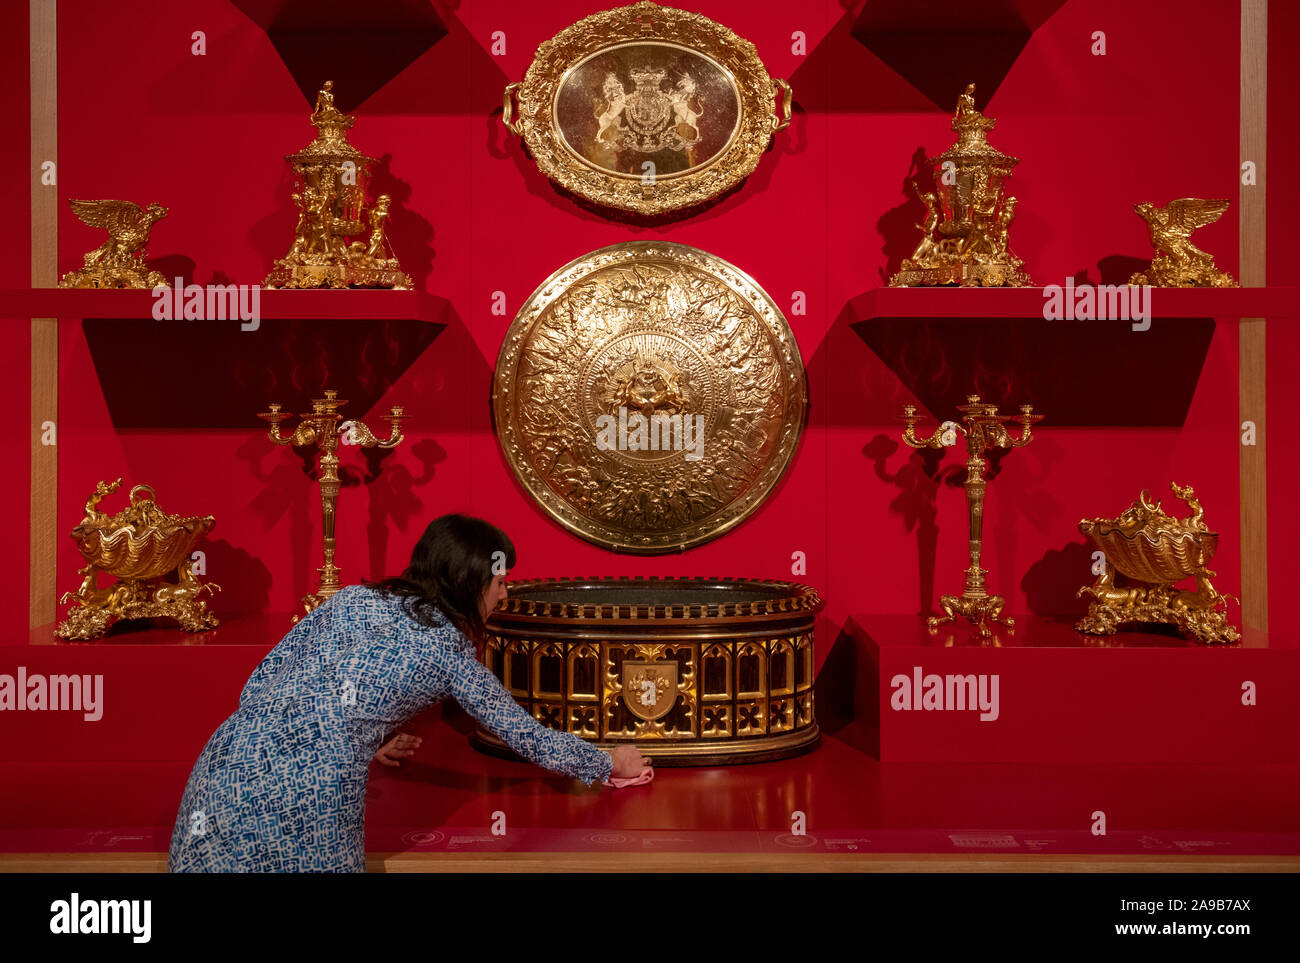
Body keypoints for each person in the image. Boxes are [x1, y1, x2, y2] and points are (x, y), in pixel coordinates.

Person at [168, 514, 650, 872]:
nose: (505, 594)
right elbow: (525, 735)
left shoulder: (353, 599)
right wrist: (609, 762)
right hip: (315, 791)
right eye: (500, 582)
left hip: (225, 763)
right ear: (469, 581)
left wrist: (356, 735)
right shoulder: (449, 654)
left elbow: (263, 679)